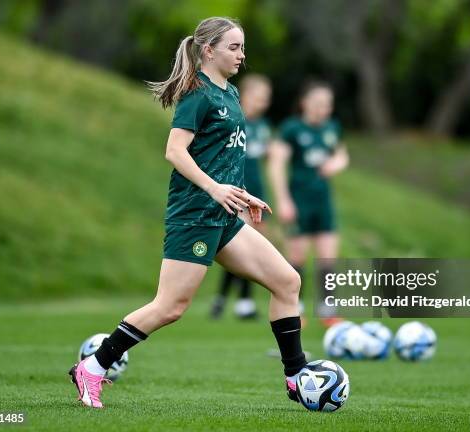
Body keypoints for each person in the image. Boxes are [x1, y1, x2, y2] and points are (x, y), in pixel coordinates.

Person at [68, 17, 306, 409]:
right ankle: (93, 367)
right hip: (195, 215)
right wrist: (214, 189)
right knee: (170, 307)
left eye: (243, 48)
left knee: (287, 282)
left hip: (224, 216)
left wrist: (242, 195)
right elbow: (175, 151)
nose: (241, 55)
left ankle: (297, 376)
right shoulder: (197, 94)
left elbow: (220, 158)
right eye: (234, 47)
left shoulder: (229, 92)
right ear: (208, 50)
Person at [269, 81, 349, 327]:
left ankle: (328, 310)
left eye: (327, 105)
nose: (322, 109)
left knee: (327, 257)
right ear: (305, 103)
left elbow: (341, 154)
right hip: (298, 200)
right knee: (297, 257)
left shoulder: (332, 127)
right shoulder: (291, 128)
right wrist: (283, 200)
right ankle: (296, 309)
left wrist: (337, 163)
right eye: (317, 104)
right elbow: (276, 164)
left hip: (323, 201)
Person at [210, 73, 273, 320]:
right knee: (241, 249)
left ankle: (227, 300)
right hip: (237, 194)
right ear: (245, 95)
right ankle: (238, 301)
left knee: (247, 250)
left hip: (257, 196)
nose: (263, 103)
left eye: (266, 99)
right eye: (259, 97)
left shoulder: (263, 127)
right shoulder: (233, 120)